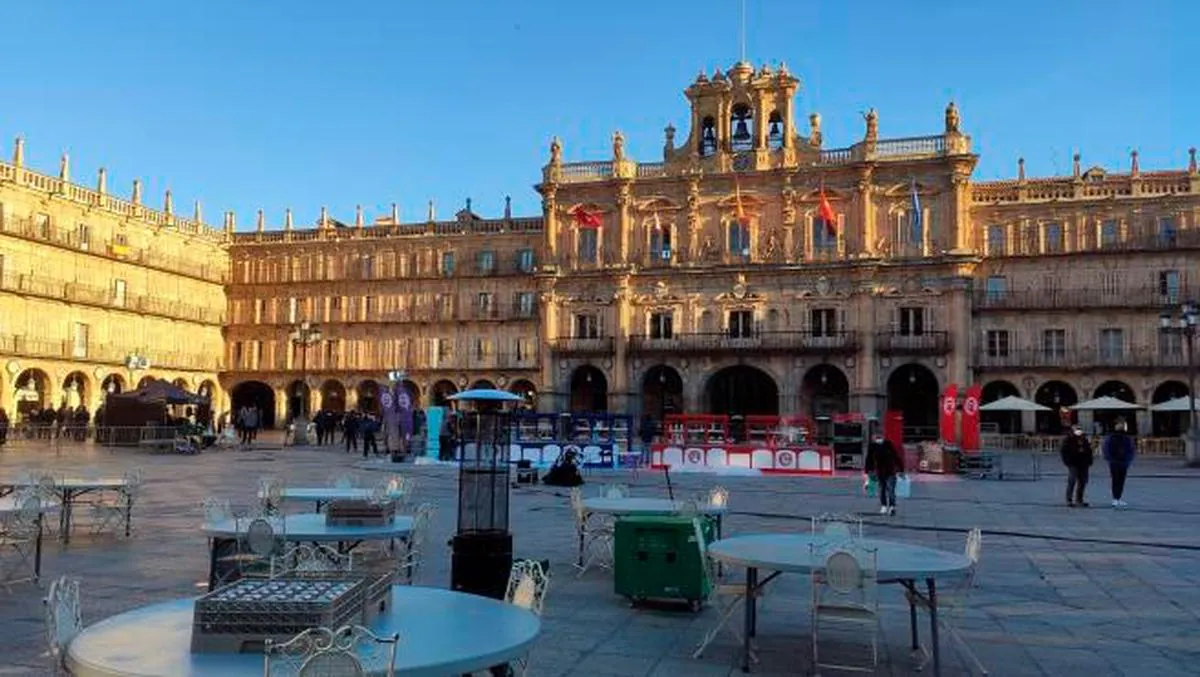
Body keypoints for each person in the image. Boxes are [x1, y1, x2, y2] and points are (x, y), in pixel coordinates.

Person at [864, 432, 905, 515]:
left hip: (890, 471)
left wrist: (901, 469)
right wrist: (867, 471)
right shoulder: (872, 447)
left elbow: (896, 456)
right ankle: (884, 506)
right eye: (877, 437)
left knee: (890, 490)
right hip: (879, 472)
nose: (878, 439)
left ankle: (892, 506)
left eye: (879, 437)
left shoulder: (888, 445)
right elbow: (869, 459)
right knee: (882, 490)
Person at [1102, 421, 1136, 508]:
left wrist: (1128, 458)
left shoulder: (1124, 438)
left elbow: (1131, 449)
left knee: (1119, 481)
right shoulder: (1114, 438)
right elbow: (1107, 450)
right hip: (1117, 462)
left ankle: (1117, 498)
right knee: (1117, 481)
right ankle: (1115, 498)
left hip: (1121, 462)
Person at [1060, 425, 1094, 507]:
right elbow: (1064, 451)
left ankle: (1079, 500)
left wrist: (1089, 461)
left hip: (1083, 463)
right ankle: (1069, 499)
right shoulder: (1069, 439)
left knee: (1083, 482)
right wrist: (1067, 462)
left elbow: (1089, 451)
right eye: (1077, 430)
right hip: (1073, 463)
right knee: (1072, 481)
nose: (1079, 431)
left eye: (1080, 430)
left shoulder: (1084, 439)